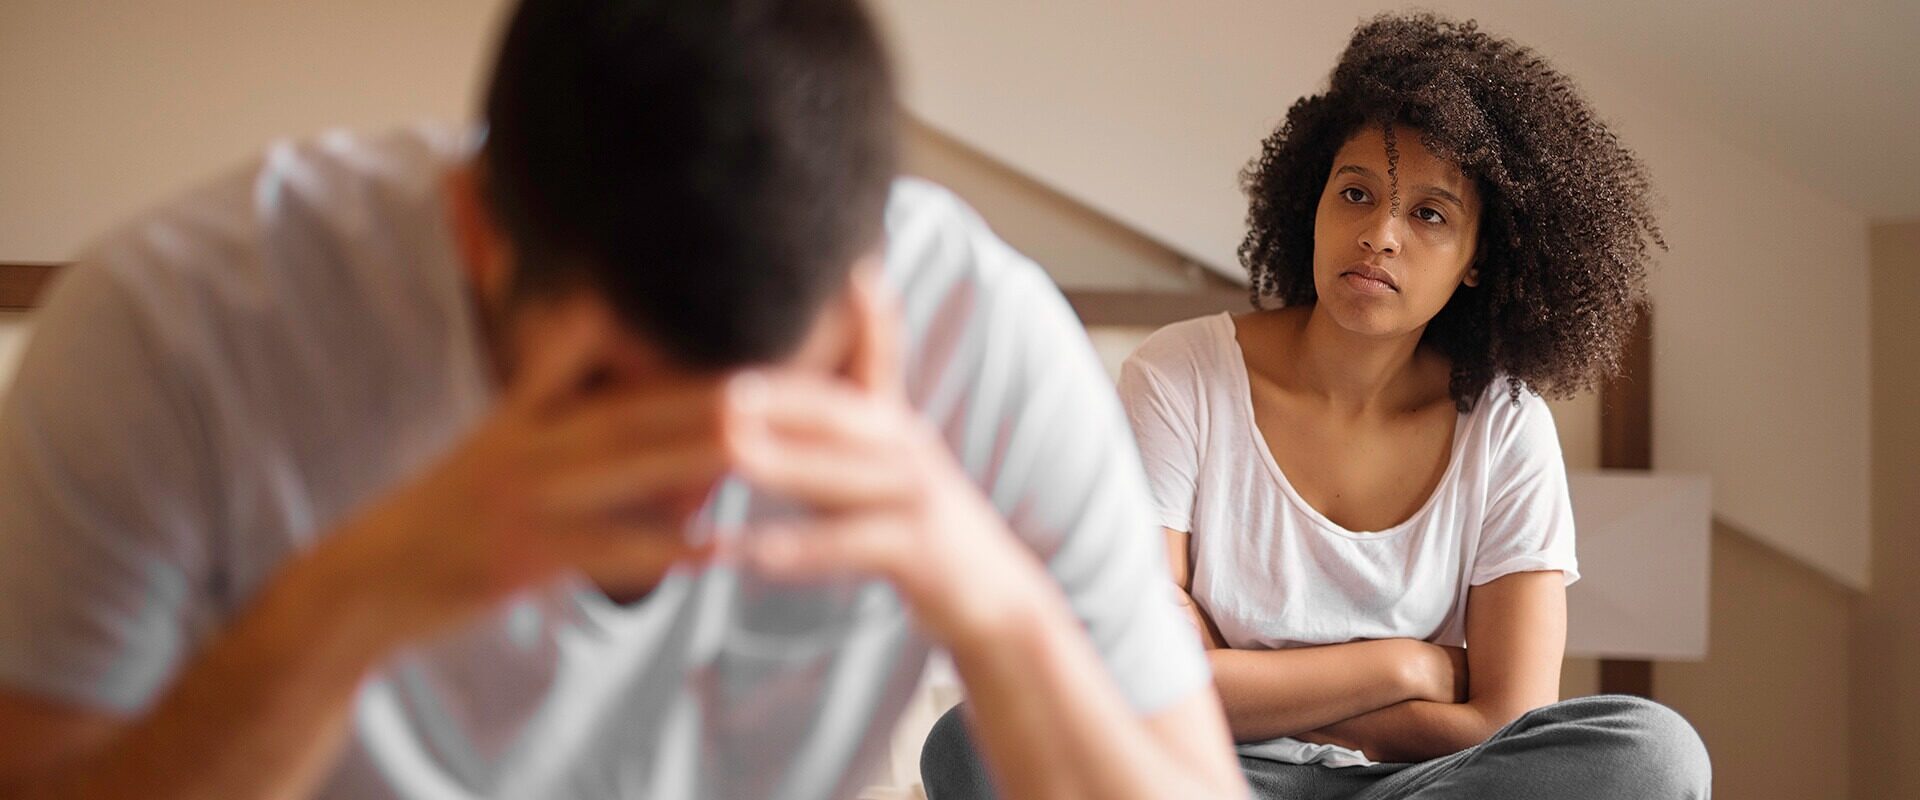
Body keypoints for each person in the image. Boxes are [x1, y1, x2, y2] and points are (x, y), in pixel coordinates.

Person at [0, 1, 1246, 798]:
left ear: (869, 284)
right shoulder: (176, 326)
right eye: (608, 388)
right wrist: (350, 599)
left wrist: (987, 597)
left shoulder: (983, 335)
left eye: (784, 398)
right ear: (479, 235)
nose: (695, 479)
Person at [921, 13, 1710, 800]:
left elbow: (1504, 719)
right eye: (1356, 194)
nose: (1380, 235)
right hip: (1199, 776)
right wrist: (1407, 666)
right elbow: (1136, 673)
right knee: (975, 739)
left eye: (1429, 214)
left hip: (1414, 787)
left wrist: (1246, 691)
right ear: (1314, 205)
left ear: (1478, 262)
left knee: (1656, 754)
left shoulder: (1507, 426)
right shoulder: (1180, 376)